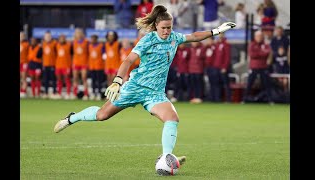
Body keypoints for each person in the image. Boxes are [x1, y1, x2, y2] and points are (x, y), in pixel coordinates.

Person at [54, 4, 235, 165]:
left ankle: (166, 157)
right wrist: (117, 81)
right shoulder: (148, 40)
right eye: (163, 28)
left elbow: (194, 36)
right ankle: (72, 118)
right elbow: (128, 60)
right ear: (156, 26)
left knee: (172, 119)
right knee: (102, 115)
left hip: (155, 93)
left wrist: (217, 30)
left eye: (169, 28)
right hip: (134, 87)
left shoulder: (174, 37)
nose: (166, 31)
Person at [243, 30, 273, 104]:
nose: (259, 38)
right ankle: (244, 99)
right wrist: (262, 53)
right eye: (258, 36)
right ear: (255, 37)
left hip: (263, 66)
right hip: (254, 67)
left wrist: (259, 53)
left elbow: (268, 52)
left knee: (266, 84)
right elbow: (253, 55)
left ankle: (269, 100)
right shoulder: (252, 44)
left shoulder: (265, 44)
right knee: (249, 83)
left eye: (260, 36)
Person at [72, 28, 89, 100]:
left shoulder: (86, 42)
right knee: (75, 78)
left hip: (84, 63)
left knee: (84, 78)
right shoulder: (74, 42)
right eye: (76, 33)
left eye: (79, 33)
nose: (78, 34)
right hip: (76, 62)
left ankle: (86, 94)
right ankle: (75, 94)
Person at [88, 34, 106, 101]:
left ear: (96, 39)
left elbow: (104, 55)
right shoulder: (89, 46)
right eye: (91, 39)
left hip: (99, 66)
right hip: (92, 66)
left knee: (99, 81)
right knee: (93, 81)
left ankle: (99, 93)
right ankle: (93, 93)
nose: (91, 40)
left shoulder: (101, 46)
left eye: (93, 39)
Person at [55, 34, 73, 99]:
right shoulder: (56, 45)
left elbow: (72, 54)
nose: (62, 39)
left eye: (63, 38)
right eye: (60, 38)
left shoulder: (69, 45)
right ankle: (59, 93)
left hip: (66, 65)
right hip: (58, 65)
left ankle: (68, 93)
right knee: (59, 80)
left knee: (67, 79)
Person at [41, 31, 57, 99]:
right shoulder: (43, 44)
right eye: (46, 36)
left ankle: (54, 93)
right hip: (45, 64)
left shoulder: (54, 43)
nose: (48, 37)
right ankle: (46, 93)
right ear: (44, 37)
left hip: (52, 64)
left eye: (49, 36)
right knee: (45, 79)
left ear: (51, 37)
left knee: (53, 79)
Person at [20, 31, 29, 98]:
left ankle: (23, 91)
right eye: (20, 35)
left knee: (24, 78)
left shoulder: (27, 44)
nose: (21, 37)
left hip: (24, 63)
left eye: (22, 36)